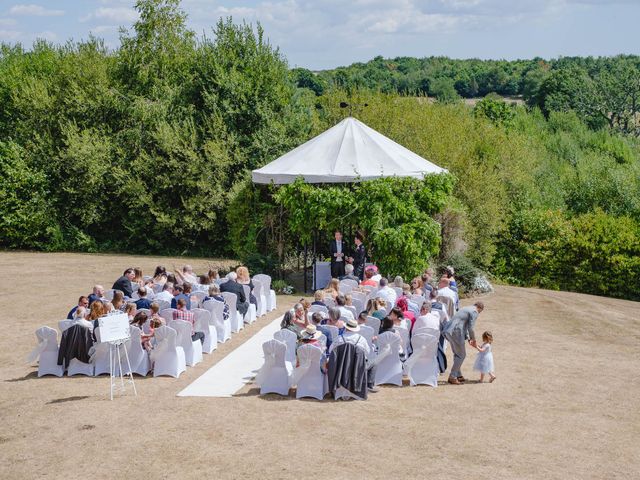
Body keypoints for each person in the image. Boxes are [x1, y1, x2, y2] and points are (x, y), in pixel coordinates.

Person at [330, 317, 377, 392]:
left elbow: (331, 351)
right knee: (374, 362)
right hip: (358, 366)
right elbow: (367, 352)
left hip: (340, 365)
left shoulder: (339, 339)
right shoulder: (361, 339)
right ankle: (369, 384)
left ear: (346, 327)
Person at [443, 302, 485, 385]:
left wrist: (468, 338)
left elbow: (463, 323)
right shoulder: (474, 311)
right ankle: (452, 377)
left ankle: (458, 375)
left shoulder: (466, 308)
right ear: (479, 308)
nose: (478, 314)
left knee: (457, 354)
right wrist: (473, 339)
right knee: (461, 355)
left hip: (449, 331)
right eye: (480, 312)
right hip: (456, 332)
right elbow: (471, 328)